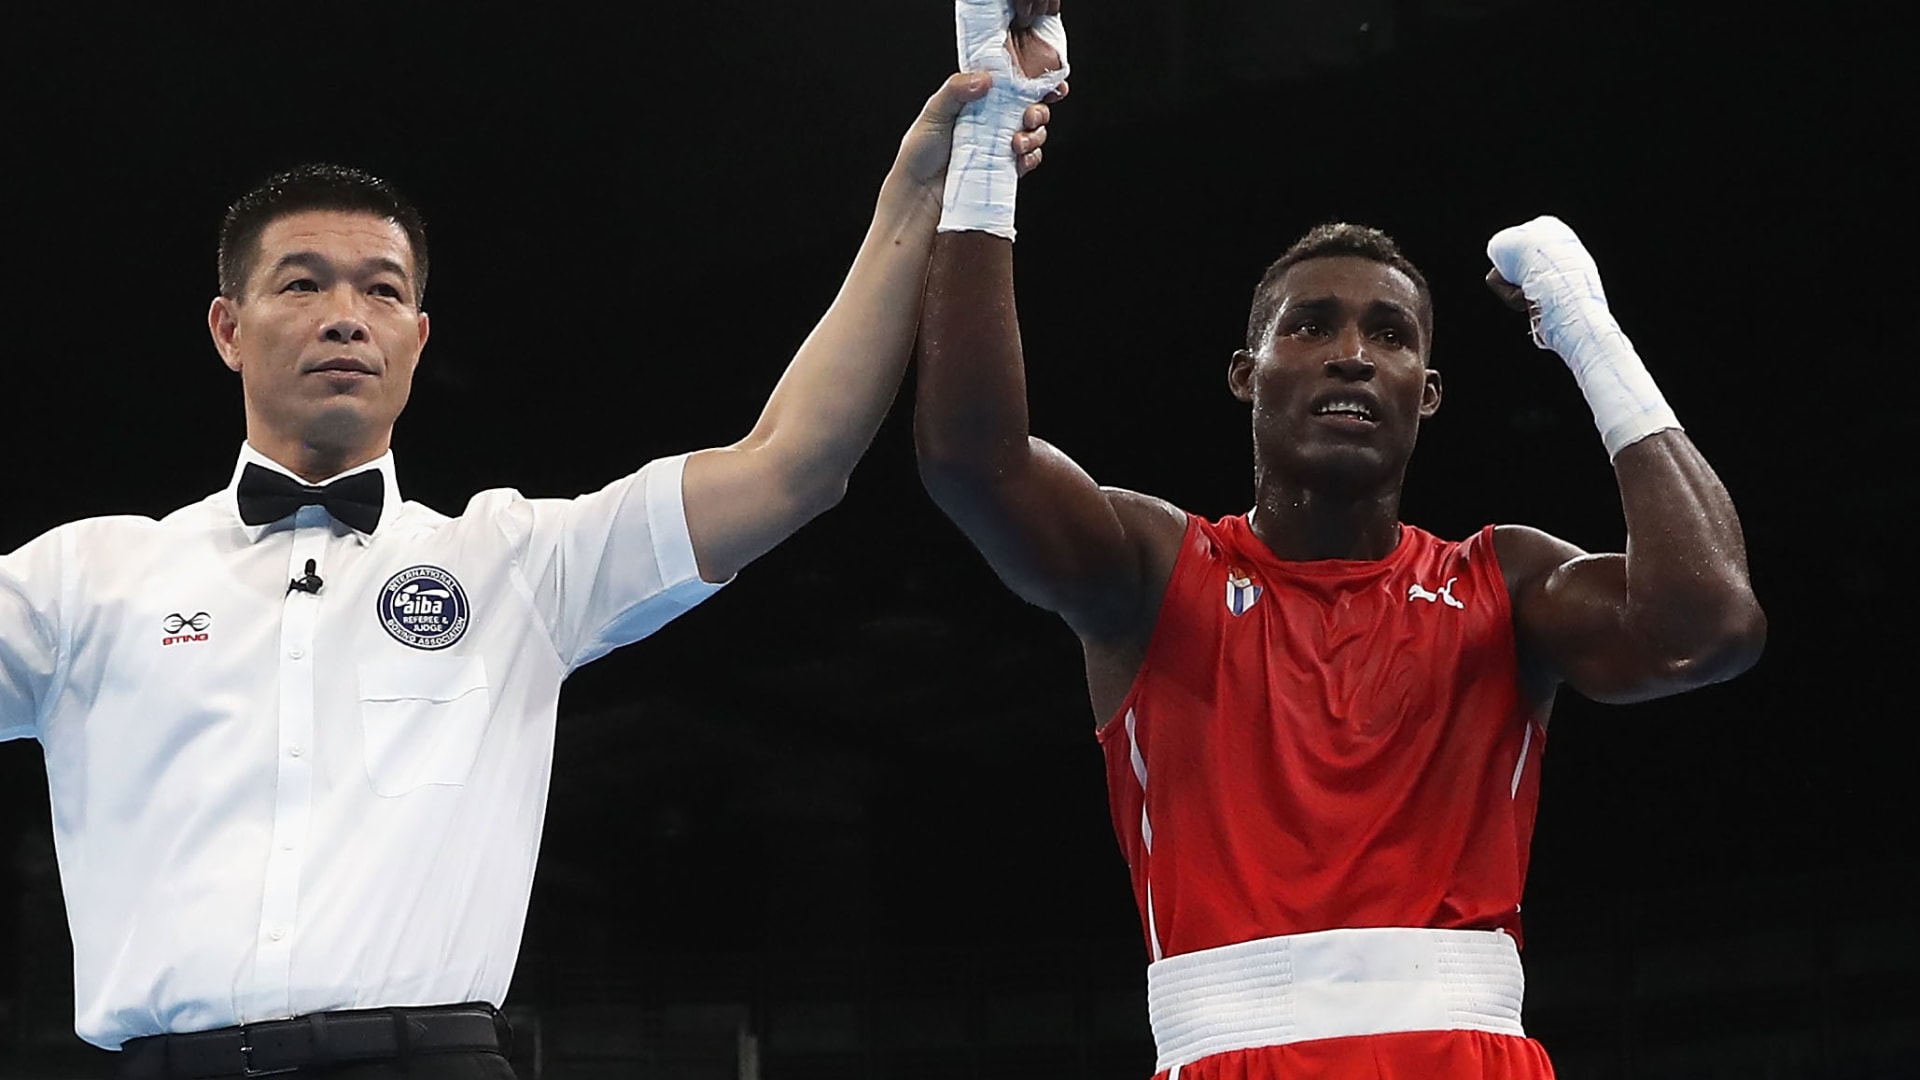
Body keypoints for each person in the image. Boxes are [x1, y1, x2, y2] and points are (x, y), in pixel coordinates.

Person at [0, 61, 1061, 1079]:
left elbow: (792, 465)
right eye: (303, 284)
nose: (343, 316)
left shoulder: (515, 563)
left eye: (380, 291)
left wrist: (915, 196)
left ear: (417, 337)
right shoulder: (84, 581)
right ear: (228, 329)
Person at [913, 74, 1766, 1080]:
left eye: (1392, 335)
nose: (1354, 356)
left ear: (1428, 393)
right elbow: (974, 460)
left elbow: (1706, 627)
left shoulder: (1507, 583)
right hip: (1231, 1056)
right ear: (1247, 373)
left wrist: (1583, 327)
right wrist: (984, 154)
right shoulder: (1151, 570)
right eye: (1312, 325)